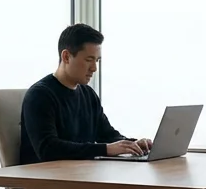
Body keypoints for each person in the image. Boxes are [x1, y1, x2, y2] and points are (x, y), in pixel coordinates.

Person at [19, 23, 152, 165]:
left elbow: (107, 135)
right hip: (43, 176)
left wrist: (134, 144)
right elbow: (48, 149)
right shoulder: (40, 95)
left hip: (78, 173)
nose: (94, 68)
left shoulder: (88, 94)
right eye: (89, 60)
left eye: (97, 60)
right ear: (66, 57)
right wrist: (105, 149)